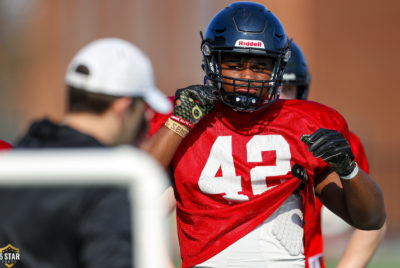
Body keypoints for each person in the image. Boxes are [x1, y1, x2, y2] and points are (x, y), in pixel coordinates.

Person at [143, 2, 386, 268]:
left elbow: (370, 220)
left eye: (259, 67)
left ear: (277, 69)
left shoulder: (306, 123)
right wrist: (178, 123)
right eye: (235, 64)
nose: (247, 77)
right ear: (213, 62)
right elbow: (132, 186)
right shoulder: (184, 118)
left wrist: (348, 170)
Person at [0, 38, 171, 268]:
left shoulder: (22, 154)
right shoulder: (109, 181)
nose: (148, 119)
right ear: (123, 109)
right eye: (143, 110)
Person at [281, 41, 387, 268]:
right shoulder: (216, 135)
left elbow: (372, 220)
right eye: (273, 87)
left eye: (286, 88)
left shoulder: (325, 138)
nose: (279, 97)